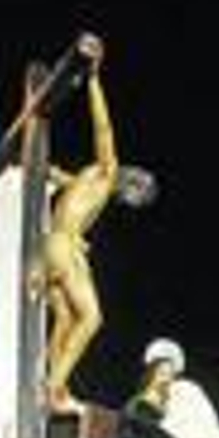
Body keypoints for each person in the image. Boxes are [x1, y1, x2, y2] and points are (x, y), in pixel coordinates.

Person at [41, 34, 155, 415]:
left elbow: (61, 179)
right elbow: (103, 129)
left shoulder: (87, 178)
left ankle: (53, 383)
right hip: (63, 246)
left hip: (52, 245)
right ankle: (54, 386)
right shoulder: (106, 172)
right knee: (91, 318)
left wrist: (46, 171)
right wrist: (93, 80)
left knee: (64, 318)